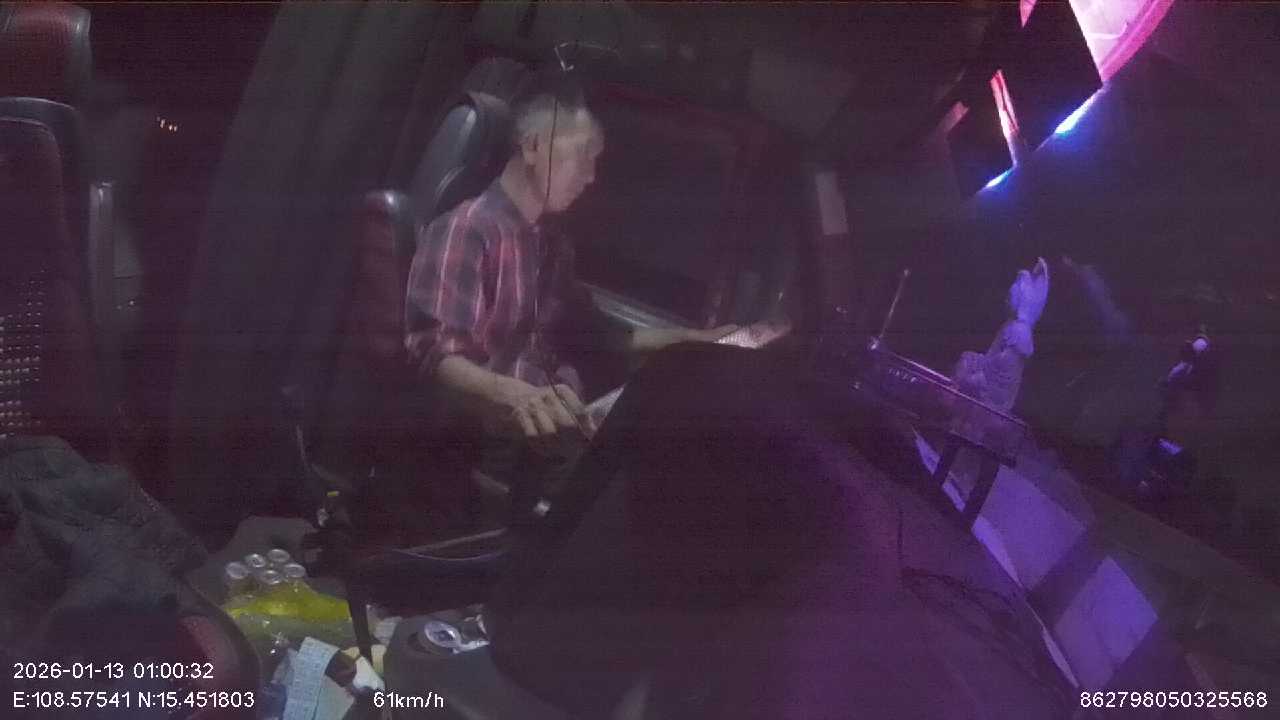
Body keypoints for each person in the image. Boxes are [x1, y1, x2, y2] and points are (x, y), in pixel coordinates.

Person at [405, 72, 731, 516]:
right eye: (583, 155)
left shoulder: (550, 244)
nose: (592, 176)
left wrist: (693, 342)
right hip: (493, 449)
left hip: (555, 438)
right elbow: (434, 357)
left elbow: (599, 334)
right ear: (533, 146)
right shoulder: (467, 230)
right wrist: (517, 397)